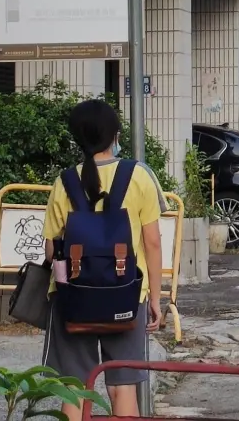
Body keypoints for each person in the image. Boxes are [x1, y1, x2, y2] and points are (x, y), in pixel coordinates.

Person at [42, 100, 165, 421]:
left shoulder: (64, 181)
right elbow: (152, 242)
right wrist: (155, 298)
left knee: (73, 388)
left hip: (74, 299)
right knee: (122, 388)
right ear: (114, 135)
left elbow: (50, 250)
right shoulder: (138, 176)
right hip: (126, 295)